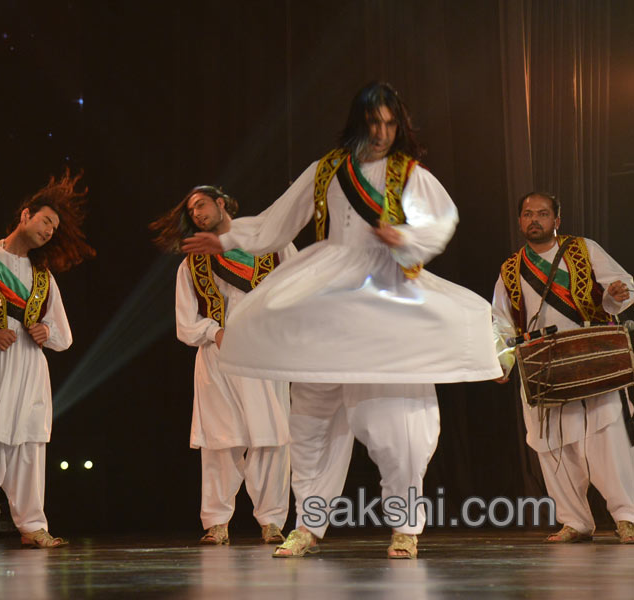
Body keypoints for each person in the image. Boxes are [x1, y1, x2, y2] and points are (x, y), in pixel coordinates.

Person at [182, 82, 501, 559]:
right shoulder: (325, 169)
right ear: (358, 121)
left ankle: (405, 526)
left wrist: (407, 237)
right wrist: (227, 240)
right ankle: (308, 526)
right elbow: (274, 224)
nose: (383, 132)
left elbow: (441, 222)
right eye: (375, 122)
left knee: (398, 424)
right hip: (328, 293)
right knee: (312, 419)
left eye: (392, 123)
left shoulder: (409, 174)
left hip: (387, 296)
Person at [0, 170, 94, 551]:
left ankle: (33, 525)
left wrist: (46, 333)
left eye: (54, 228)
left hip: (28, 369)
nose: (49, 231)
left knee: (28, 445)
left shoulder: (43, 277)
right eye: (46, 221)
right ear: (26, 215)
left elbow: (63, 334)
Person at [151, 185, 294, 545]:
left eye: (200, 204)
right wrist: (214, 333)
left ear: (220, 202)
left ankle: (272, 520)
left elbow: (298, 290)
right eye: (191, 211)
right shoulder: (193, 263)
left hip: (265, 356)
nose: (197, 213)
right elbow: (186, 323)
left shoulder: (271, 245)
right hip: (218, 359)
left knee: (272, 439)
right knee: (220, 442)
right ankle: (216, 522)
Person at [492, 191, 634, 544]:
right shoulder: (510, 269)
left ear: (557, 220)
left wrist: (615, 294)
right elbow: (500, 322)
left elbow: (623, 287)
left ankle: (628, 517)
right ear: (520, 220)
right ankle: (575, 521)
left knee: (607, 439)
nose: (534, 219)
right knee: (552, 445)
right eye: (527, 213)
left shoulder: (583, 249)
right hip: (543, 365)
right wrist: (502, 361)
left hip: (590, 358)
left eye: (542, 213)